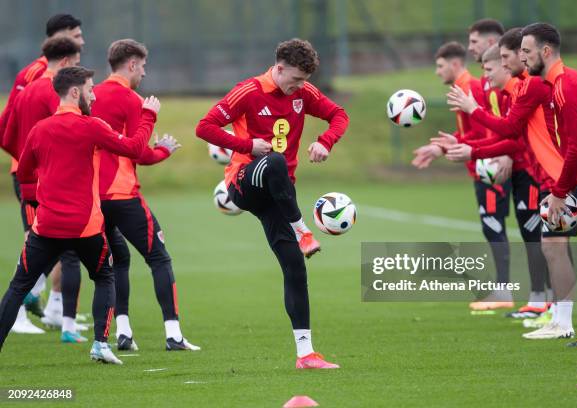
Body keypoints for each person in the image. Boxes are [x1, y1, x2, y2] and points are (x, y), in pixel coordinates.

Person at [196, 38, 348, 368]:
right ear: (278, 69)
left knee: (295, 267)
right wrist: (246, 144)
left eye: (304, 82)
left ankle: (305, 354)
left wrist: (326, 142)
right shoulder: (248, 91)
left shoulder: (303, 93)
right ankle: (303, 230)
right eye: (294, 80)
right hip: (244, 182)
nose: (299, 88)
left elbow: (338, 115)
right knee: (276, 162)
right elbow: (204, 127)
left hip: (279, 195)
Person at [0, 66, 160, 364]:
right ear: (75, 92)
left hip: (45, 227)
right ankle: (100, 344)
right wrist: (149, 115)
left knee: (18, 286)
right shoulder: (92, 126)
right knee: (104, 276)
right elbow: (135, 148)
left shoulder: (40, 130)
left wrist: (44, 193)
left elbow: (23, 173)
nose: (94, 94)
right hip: (85, 228)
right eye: (89, 89)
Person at [446, 27, 577, 340]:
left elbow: (511, 131)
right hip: (550, 176)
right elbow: (515, 137)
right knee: (553, 244)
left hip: (563, 176)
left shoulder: (534, 86)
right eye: (517, 54)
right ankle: (557, 317)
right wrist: (473, 149)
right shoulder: (524, 88)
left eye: (517, 55)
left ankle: (568, 318)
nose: (520, 60)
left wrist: (474, 115)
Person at [91, 39, 195, 351]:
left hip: (93, 199)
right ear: (132, 64)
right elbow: (139, 153)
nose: (145, 73)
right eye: (143, 66)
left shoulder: (90, 94)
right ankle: (174, 335)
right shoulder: (134, 100)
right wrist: (164, 149)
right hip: (123, 196)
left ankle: (123, 332)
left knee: (116, 262)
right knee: (159, 258)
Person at [441, 44, 551, 321]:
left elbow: (508, 133)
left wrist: (480, 145)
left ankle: (548, 303)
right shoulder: (503, 90)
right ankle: (542, 302)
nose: (472, 47)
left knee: (544, 237)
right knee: (536, 236)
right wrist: (464, 144)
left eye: (476, 41)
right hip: (514, 166)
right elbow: (502, 132)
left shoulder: (509, 89)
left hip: (529, 170)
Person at [522, 22, 577, 348]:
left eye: (527, 51)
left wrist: (560, 193)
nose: (523, 57)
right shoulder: (557, 84)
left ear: (545, 52)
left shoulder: (565, 85)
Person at [412, 41, 514, 311]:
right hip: (481, 165)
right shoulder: (465, 88)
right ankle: (507, 291)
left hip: (489, 167)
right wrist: (441, 147)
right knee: (491, 226)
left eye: (440, 65)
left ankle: (507, 291)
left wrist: (496, 158)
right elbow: (472, 134)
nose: (437, 71)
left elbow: (486, 132)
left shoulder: (472, 88)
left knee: (494, 226)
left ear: (455, 64)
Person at [0, 14, 85, 333]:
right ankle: (22, 312)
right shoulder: (38, 77)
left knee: (61, 245)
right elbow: (8, 125)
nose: (82, 40)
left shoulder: (59, 76)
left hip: (47, 176)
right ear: (60, 40)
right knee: (38, 244)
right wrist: (28, 162)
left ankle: (55, 308)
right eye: (76, 35)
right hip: (37, 178)